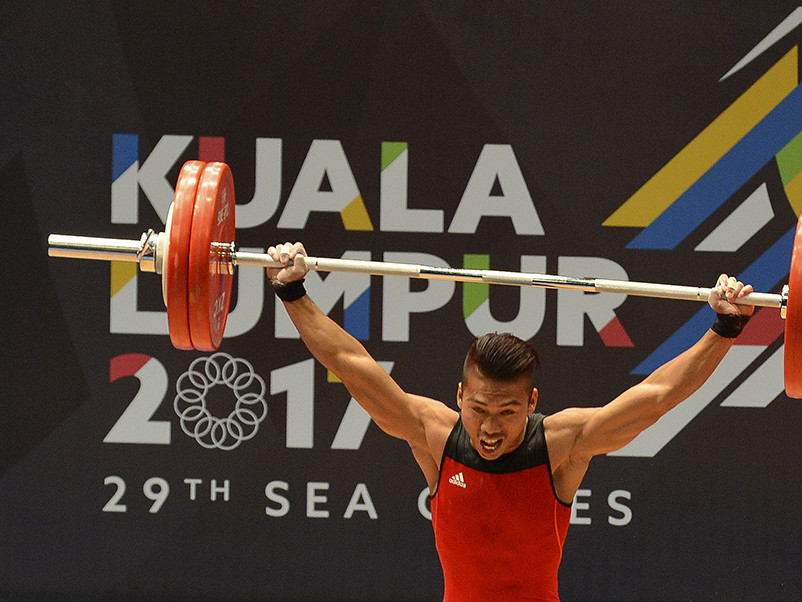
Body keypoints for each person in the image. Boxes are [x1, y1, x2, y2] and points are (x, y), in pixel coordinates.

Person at [267, 242, 754, 601]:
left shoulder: (561, 445)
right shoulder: (435, 435)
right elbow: (351, 364)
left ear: (532, 403)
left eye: (507, 412)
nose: (490, 427)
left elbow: (656, 398)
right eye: (478, 409)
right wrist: (293, 292)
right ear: (459, 397)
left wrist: (725, 327)